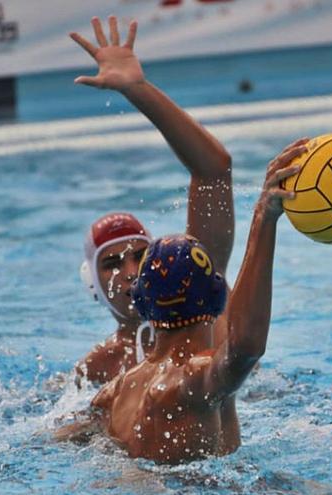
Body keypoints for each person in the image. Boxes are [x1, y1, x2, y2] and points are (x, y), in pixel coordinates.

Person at [55, 138, 310, 465]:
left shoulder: (115, 392)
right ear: (219, 298)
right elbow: (245, 347)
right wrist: (264, 219)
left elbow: (57, 437)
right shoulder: (193, 380)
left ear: (145, 307)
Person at [70, 16, 234, 385]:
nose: (131, 273)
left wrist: (138, 90)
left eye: (140, 256)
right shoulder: (94, 373)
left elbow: (213, 170)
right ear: (92, 283)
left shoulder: (206, 310)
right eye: (112, 263)